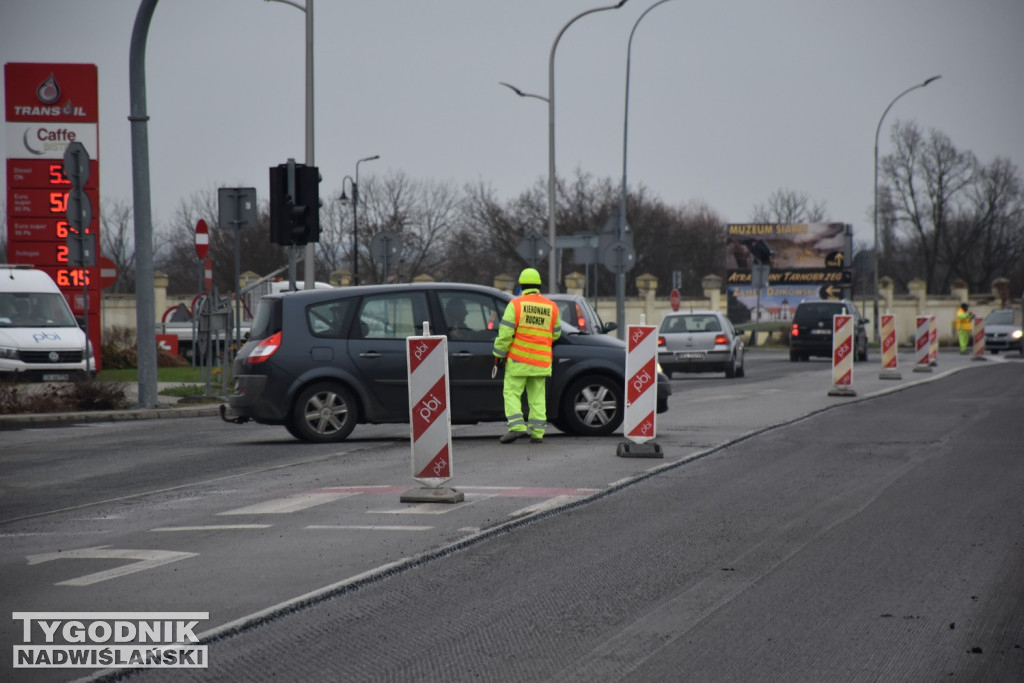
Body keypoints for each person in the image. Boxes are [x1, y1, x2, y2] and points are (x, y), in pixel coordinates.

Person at [492, 268, 561, 444]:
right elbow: (556, 334)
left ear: (521, 285)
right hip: (541, 361)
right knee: (537, 397)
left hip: (518, 361)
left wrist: (498, 354)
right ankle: (537, 433)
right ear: (538, 285)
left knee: (512, 393)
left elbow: (505, 334)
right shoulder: (551, 307)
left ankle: (516, 427)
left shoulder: (516, 305)